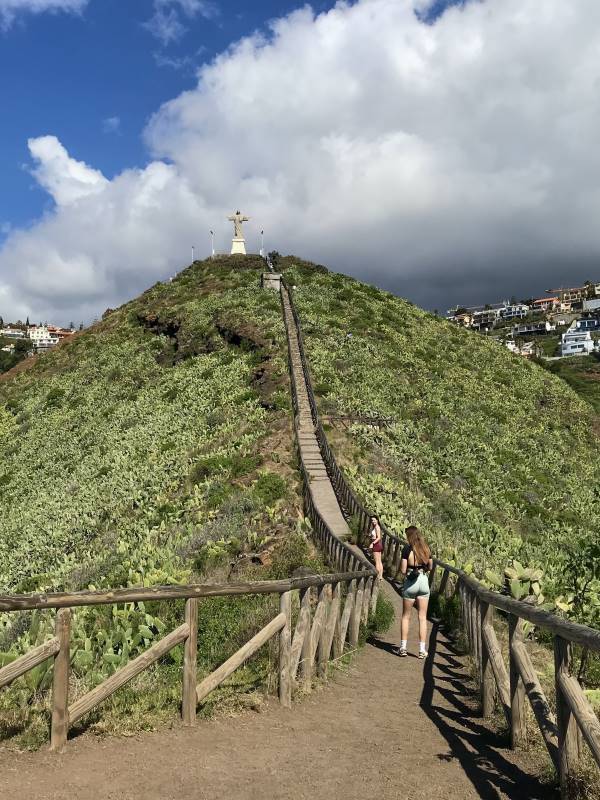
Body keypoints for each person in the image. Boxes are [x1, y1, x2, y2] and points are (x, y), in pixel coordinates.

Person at [397, 525, 433, 659]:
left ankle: (403, 647)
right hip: (423, 581)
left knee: (406, 616)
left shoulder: (407, 549)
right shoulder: (426, 548)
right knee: (422, 617)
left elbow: (403, 569)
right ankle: (422, 650)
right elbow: (430, 566)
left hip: (411, 581)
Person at [368, 515, 384, 580]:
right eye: (372, 520)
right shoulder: (375, 527)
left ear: (377, 520)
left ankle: (377, 576)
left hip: (376, 544)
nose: (373, 521)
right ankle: (380, 576)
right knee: (379, 561)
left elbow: (379, 537)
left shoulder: (377, 527)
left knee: (377, 562)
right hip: (378, 544)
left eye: (374, 520)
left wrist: (372, 543)